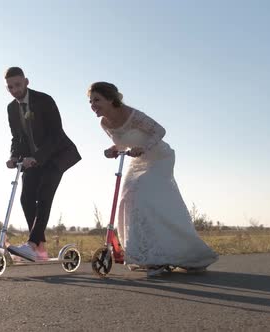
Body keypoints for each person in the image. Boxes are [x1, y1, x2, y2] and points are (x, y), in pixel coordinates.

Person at [87, 81, 218, 277]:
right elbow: (121, 144)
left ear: (110, 99)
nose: (92, 105)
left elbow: (160, 130)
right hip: (137, 162)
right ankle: (146, 254)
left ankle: (164, 256)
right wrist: (113, 151)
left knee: (143, 195)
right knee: (126, 198)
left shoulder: (133, 115)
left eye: (97, 100)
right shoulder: (104, 123)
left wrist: (143, 148)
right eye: (90, 101)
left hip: (159, 157)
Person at [4, 67, 81, 261]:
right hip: (31, 159)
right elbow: (17, 137)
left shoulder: (44, 100)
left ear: (26, 82)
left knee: (44, 195)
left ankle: (32, 244)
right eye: (10, 87)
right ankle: (40, 249)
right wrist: (14, 157)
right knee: (26, 198)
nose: (15, 90)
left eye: (18, 85)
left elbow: (56, 134)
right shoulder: (12, 108)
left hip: (56, 155)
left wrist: (37, 157)